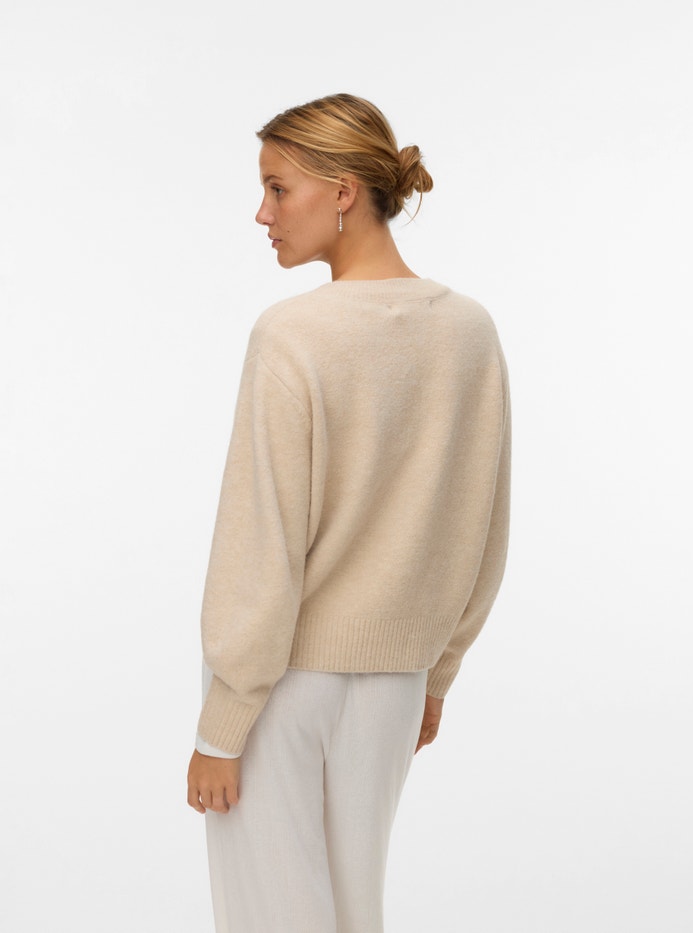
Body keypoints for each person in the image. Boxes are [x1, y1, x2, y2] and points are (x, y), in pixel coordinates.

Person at [186, 92, 510, 933]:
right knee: (355, 914)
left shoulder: (292, 335)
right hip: (395, 688)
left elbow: (262, 541)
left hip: (281, 685)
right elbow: (484, 528)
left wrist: (222, 725)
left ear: (342, 192)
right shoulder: (470, 332)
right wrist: (436, 673)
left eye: (277, 188)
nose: (262, 213)